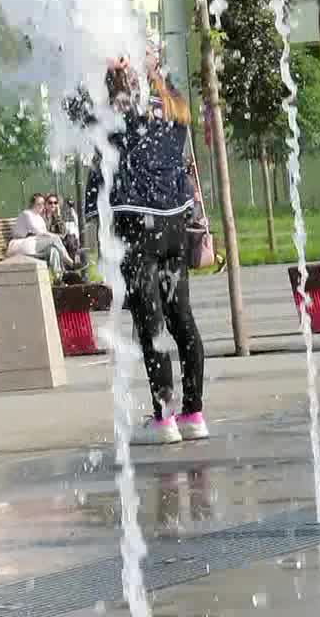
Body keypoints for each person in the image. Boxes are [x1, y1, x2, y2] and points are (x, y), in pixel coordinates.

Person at [86, 51, 207, 446]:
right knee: (182, 319)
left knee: (151, 325)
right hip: (174, 226)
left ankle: (165, 418)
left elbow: (77, 110)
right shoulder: (175, 108)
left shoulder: (119, 110)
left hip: (138, 227)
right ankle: (194, 413)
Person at [9, 192, 75, 272]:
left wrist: (53, 234)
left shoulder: (39, 218)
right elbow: (38, 232)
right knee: (55, 239)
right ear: (33, 204)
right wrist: (55, 236)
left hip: (32, 245)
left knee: (53, 250)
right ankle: (71, 263)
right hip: (19, 245)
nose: (41, 206)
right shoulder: (27, 214)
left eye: (43, 203)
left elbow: (44, 233)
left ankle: (58, 275)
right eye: (38, 204)